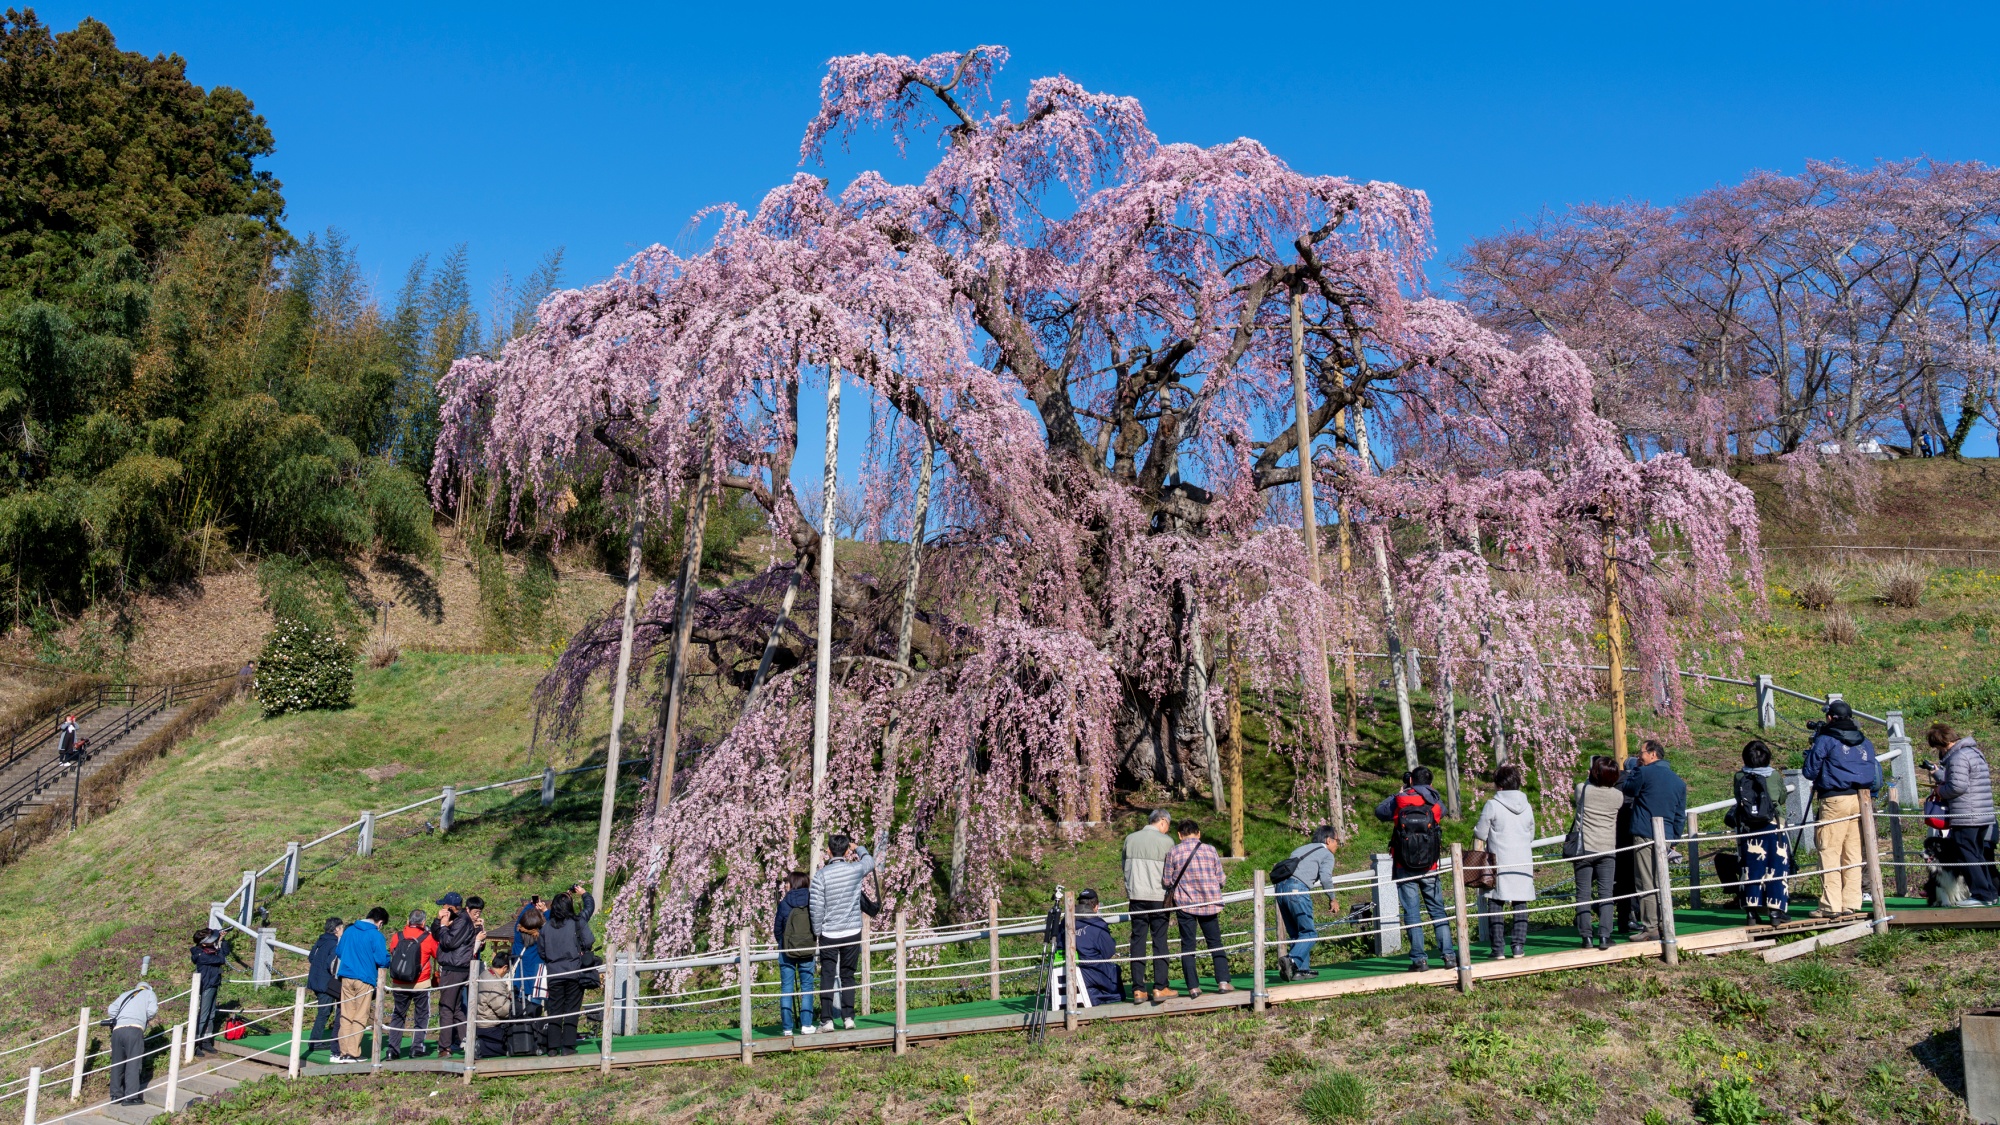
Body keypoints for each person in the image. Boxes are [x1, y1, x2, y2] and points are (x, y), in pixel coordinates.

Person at [1802, 700, 1882, 919]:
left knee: (1829, 851)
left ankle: (1830, 905)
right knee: (1852, 853)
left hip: (1834, 800)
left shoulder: (1826, 740)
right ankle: (1850, 903)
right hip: (1860, 800)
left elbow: (1809, 771)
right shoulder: (1865, 741)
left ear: (1830, 718)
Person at [1376, 767, 1455, 972]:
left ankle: (1419, 960)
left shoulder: (1400, 800)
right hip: (1430, 865)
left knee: (1411, 912)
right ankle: (1448, 956)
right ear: (1430, 782)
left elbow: (1379, 812)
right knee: (1437, 910)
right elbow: (1443, 812)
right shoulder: (1435, 803)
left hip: (1404, 864)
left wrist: (1398, 792)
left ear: (1410, 780)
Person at [1621, 740, 1688, 939]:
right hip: (1666, 835)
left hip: (1644, 832)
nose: (1639, 756)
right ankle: (1664, 923)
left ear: (1652, 754)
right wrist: (1674, 839)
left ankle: (1650, 928)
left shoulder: (1643, 772)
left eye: (1641, 753)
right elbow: (1679, 814)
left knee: (1645, 881)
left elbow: (1628, 789)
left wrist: (1635, 770)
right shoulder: (1678, 781)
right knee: (1662, 881)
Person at [1928, 723, 1997, 907]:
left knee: (1966, 855)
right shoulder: (1974, 752)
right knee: (1978, 854)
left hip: (1967, 814)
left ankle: (1981, 894)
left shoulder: (1958, 757)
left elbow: (1958, 786)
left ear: (1941, 744)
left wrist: (1940, 790)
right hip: (1982, 813)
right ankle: (1990, 892)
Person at [1474, 764, 1537, 959]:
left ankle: (1498, 949)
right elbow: (1531, 834)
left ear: (1499, 785)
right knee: (1520, 903)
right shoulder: (1527, 805)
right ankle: (1518, 947)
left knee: (1496, 903)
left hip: (1499, 861)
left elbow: (1481, 833)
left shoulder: (1493, 805)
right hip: (1522, 860)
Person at [1164, 819, 1233, 997]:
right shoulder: (1210, 850)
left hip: (1185, 905)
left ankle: (1193, 987)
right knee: (1215, 943)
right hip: (1209, 903)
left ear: (1179, 835)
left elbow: (1167, 881)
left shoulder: (1173, 851)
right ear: (1199, 833)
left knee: (1188, 946)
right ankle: (1223, 982)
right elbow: (1221, 879)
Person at [1731, 740, 1791, 925]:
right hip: (1773, 825)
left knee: (1750, 868)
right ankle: (1775, 912)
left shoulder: (1740, 776)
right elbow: (1781, 796)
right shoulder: (1773, 775)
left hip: (1748, 827)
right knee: (1776, 867)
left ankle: (1751, 913)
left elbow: (1737, 796)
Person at [1121, 809, 1176, 1001]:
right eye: (1168, 825)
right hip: (1158, 897)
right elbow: (1172, 872)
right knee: (1159, 941)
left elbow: (1124, 867)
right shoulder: (1167, 842)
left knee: (1137, 940)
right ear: (1162, 821)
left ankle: (1138, 989)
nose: (1167, 829)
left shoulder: (1130, 839)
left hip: (1136, 897)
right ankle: (1160, 987)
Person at [1273, 825, 1339, 981]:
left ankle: (1300, 971)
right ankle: (1291, 960)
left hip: (1280, 890)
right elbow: (1325, 878)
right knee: (1309, 933)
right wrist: (1333, 898)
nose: (1338, 845)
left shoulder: (1301, 849)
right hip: (1298, 890)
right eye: (1337, 841)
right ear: (1328, 840)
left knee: (1297, 934)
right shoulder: (1326, 854)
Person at [1570, 757, 1623, 949]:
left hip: (1584, 849)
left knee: (1583, 894)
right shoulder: (1618, 796)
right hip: (1607, 849)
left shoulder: (1582, 789)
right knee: (1606, 893)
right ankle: (1604, 936)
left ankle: (1586, 937)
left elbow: (1582, 789)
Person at [332, 906, 391, 1063]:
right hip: (365, 978)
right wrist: (388, 958)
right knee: (360, 1015)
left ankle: (343, 1052)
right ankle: (352, 1052)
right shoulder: (375, 935)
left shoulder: (350, 930)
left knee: (346, 1015)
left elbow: (339, 951)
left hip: (346, 977)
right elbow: (381, 960)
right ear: (380, 922)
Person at [538, 892, 594, 1056]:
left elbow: (541, 952)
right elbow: (589, 941)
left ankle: (552, 1047)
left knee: (554, 1010)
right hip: (574, 971)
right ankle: (568, 1046)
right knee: (572, 1009)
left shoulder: (545, 928)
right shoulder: (577, 923)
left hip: (554, 974)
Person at [431, 892, 481, 1058]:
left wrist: (445, 925)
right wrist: (438, 921)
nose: (442, 909)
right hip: (455, 968)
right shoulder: (458, 920)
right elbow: (437, 936)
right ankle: (468, 1040)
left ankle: (445, 1047)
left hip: (454, 968)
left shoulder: (462, 921)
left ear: (451, 907)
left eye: (444, 906)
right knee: (457, 1008)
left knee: (446, 1007)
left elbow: (449, 942)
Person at [386, 909, 438, 1059]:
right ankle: (417, 1047)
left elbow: (393, 952)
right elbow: (437, 954)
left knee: (398, 1014)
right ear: (423, 922)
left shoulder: (397, 936)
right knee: (422, 1014)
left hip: (399, 983)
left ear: (408, 921)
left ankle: (392, 1049)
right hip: (420, 982)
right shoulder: (427, 938)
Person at [774, 871, 818, 1035]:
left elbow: (777, 929)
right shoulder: (812, 901)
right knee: (807, 986)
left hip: (787, 949)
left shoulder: (784, 903)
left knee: (787, 988)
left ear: (793, 884)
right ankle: (806, 1025)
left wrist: (783, 942)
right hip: (807, 948)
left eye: (788, 882)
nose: (786, 885)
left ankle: (787, 1028)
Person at [104, 977, 158, 1105]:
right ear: (148, 987)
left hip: (117, 1031)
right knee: (133, 1063)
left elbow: (111, 1011)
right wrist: (142, 1017)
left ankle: (116, 1095)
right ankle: (131, 1097)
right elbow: (152, 1011)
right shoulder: (150, 993)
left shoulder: (125, 994)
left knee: (117, 1063)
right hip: (134, 1030)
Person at [1072, 889, 1124, 1005]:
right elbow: (1109, 952)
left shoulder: (1064, 923)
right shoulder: (1098, 924)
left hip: (1069, 972)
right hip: (1094, 971)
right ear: (1096, 906)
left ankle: (1090, 994)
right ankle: (1093, 996)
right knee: (1115, 972)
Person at [189, 927, 230, 1057]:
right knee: (203, 1016)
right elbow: (221, 959)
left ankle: (206, 1041)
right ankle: (195, 1044)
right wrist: (218, 944)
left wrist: (222, 941)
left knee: (211, 1014)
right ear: (204, 943)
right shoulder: (201, 955)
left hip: (213, 984)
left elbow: (225, 952)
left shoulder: (208, 949)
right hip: (206, 986)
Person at [306, 917, 344, 1053]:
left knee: (323, 1011)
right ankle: (314, 1041)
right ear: (337, 929)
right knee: (324, 1012)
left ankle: (315, 1040)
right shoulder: (334, 943)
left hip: (314, 980)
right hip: (325, 983)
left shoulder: (321, 940)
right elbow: (332, 964)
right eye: (342, 928)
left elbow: (311, 957)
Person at [511, 908, 547, 1051]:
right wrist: (544, 910)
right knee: (536, 1014)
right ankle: (536, 1042)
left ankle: (520, 1042)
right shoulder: (542, 936)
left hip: (519, 981)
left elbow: (519, 919)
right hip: (537, 982)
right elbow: (549, 921)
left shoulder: (518, 936)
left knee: (520, 1014)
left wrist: (530, 905)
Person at [473, 950, 514, 1059]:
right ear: (505, 967)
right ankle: (480, 1047)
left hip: (481, 1021)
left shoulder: (485, 973)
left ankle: (479, 1043)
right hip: (490, 1025)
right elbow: (503, 1010)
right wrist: (512, 1003)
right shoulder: (496, 983)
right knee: (511, 1044)